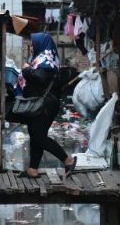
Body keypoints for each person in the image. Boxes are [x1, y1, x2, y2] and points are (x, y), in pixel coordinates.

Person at [18, 33, 77, 178]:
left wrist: (26, 70)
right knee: (36, 134)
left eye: (33, 44)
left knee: (38, 136)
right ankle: (33, 169)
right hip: (40, 103)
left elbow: (40, 77)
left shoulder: (46, 60)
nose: (31, 47)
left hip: (46, 105)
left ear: (41, 43)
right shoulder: (41, 58)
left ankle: (67, 160)